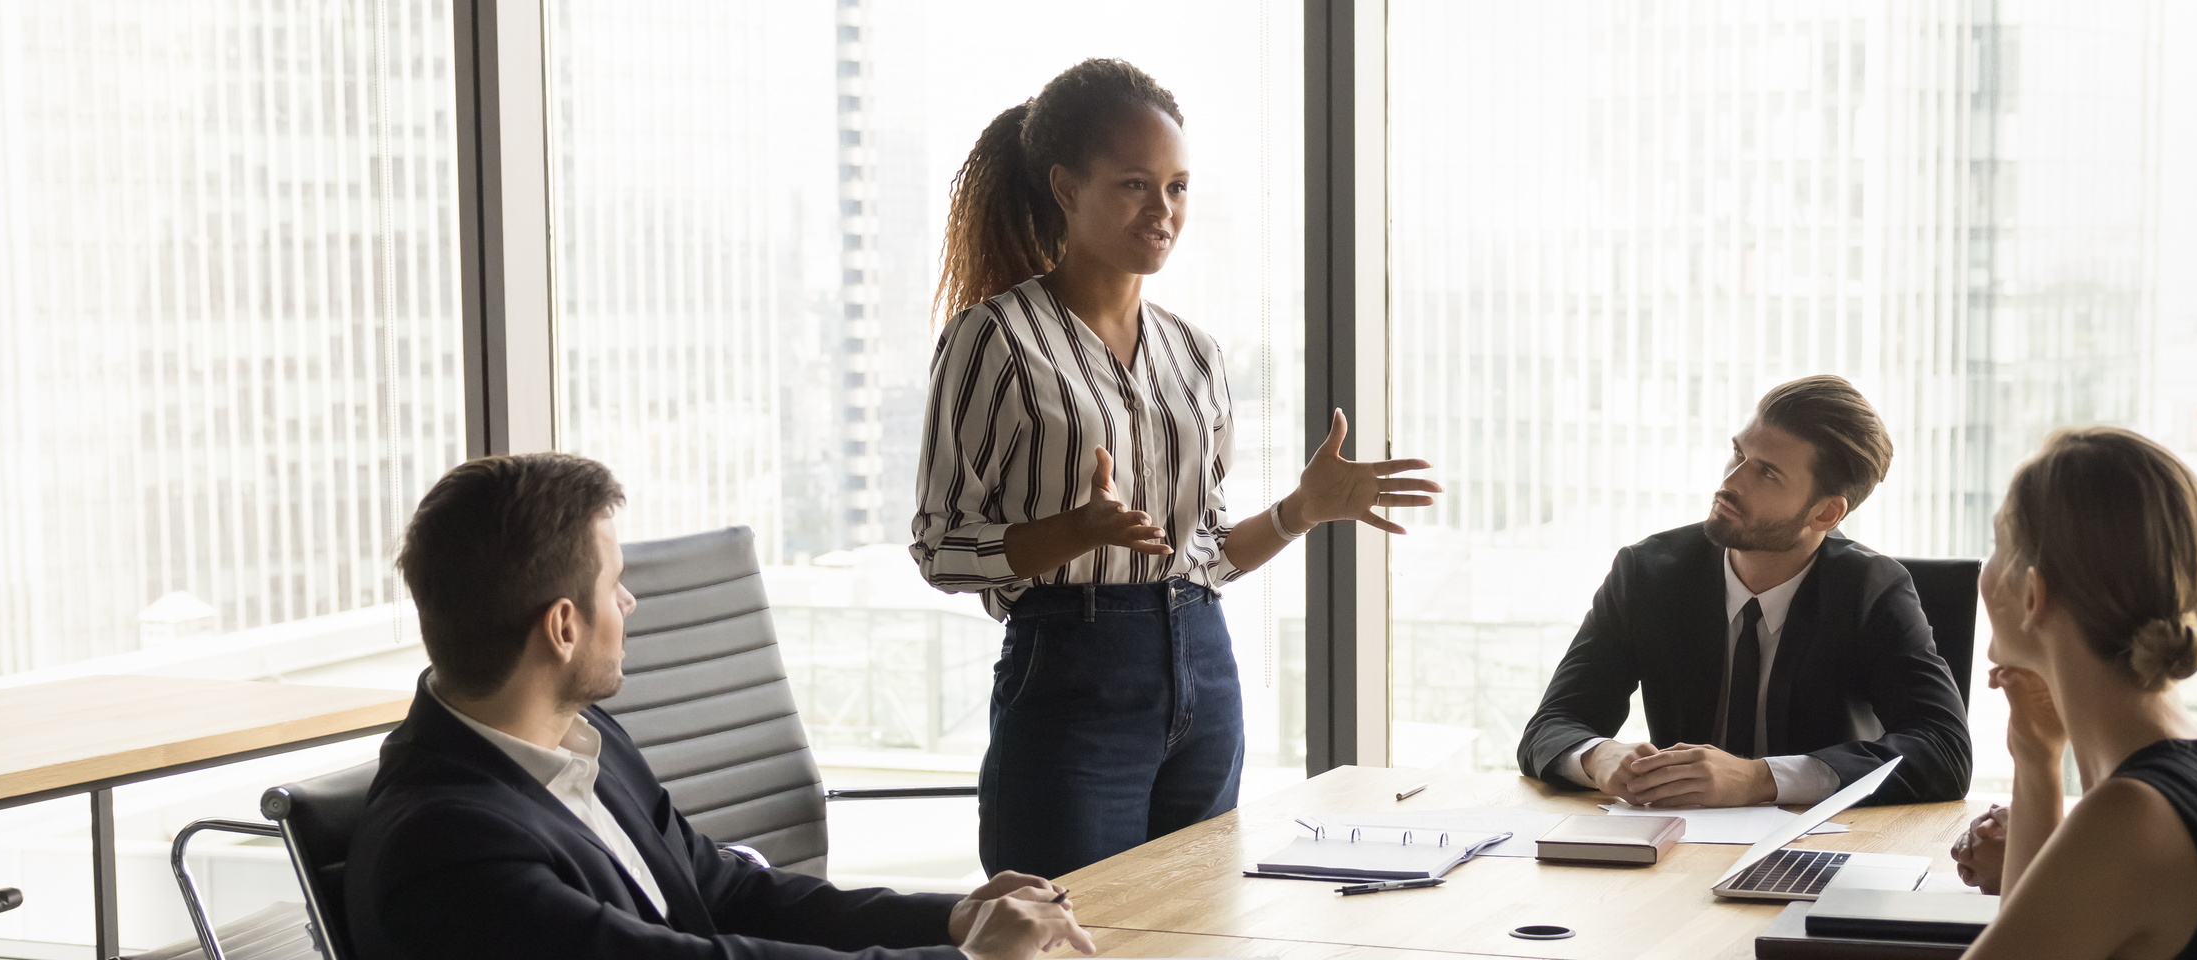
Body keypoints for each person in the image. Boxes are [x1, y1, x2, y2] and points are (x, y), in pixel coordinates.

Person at [914, 58, 1441, 877]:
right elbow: (939, 548)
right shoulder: (996, 340)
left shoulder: (1194, 353)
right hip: (1072, 681)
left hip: (1203, 669)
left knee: (1191, 935)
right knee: (1069, 929)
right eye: (1133, 185)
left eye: (1177, 187)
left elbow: (1207, 555)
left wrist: (1303, 508)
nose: (1162, 211)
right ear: (1064, 187)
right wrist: (1070, 534)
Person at [354, 453, 1095, 960]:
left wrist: (949, 915)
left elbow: (723, 889)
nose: (630, 602)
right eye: (613, 584)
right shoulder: (448, 847)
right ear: (563, 626)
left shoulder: (580, 742)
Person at [1516, 375, 1970, 808]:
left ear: (1826, 513)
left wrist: (1761, 780)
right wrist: (1598, 757)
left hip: (1819, 853)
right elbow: (1550, 727)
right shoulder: (1648, 574)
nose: (1730, 483)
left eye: (1768, 474)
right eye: (1738, 454)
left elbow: (1943, 749)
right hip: (1677, 852)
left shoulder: (1871, 591)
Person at [1964, 427, 2197, 960]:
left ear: (2034, 595)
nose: (1984, 571)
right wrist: (2036, 761)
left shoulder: (2131, 818)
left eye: (1997, 547)